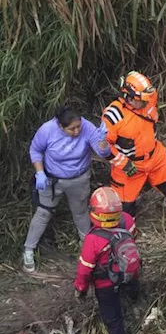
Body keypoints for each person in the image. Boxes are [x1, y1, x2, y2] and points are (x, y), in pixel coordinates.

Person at [101, 72, 166, 221]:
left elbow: (150, 95)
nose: (147, 102)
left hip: (156, 157)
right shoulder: (113, 116)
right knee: (124, 206)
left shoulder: (149, 100)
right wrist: (124, 163)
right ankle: (126, 233)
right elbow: (103, 146)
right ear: (129, 98)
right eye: (143, 99)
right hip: (129, 164)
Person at [23, 103, 110, 273]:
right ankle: (28, 249)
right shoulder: (47, 130)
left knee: (80, 212)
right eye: (71, 129)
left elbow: (102, 154)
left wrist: (103, 141)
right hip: (52, 180)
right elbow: (35, 150)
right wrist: (39, 173)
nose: (77, 132)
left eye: (78, 127)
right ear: (60, 125)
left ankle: (88, 250)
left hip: (78, 178)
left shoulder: (86, 127)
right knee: (43, 213)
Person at [74, 187, 140, 334]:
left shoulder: (93, 239)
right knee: (132, 288)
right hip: (129, 271)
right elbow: (133, 239)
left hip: (105, 284)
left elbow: (85, 269)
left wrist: (80, 288)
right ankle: (136, 300)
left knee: (112, 316)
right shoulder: (127, 220)